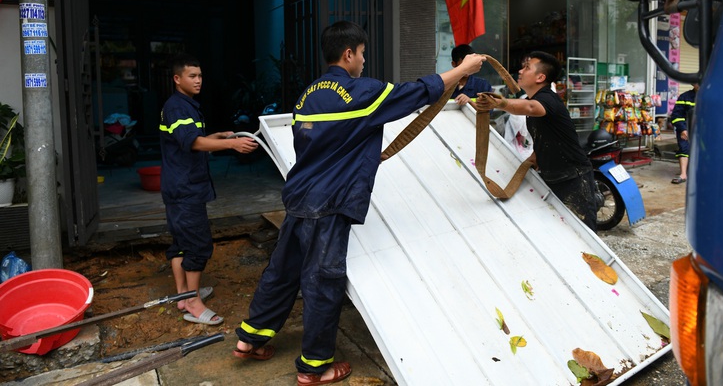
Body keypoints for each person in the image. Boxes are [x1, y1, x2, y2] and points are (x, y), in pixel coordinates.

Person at [233, 21, 485, 385]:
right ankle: (314, 368)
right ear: (348, 53)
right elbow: (416, 93)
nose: (365, 61)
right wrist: (462, 70)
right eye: (363, 53)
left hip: (300, 196)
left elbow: (325, 144)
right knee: (322, 282)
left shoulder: (308, 94)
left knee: (283, 270)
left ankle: (250, 339)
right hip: (329, 203)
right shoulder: (360, 92)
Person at [159, 53, 258, 325]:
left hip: (180, 186)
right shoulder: (178, 107)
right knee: (198, 245)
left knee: (182, 243)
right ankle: (192, 302)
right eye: (192, 76)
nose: (198, 80)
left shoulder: (184, 105)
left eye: (200, 76)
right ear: (177, 79)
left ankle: (183, 294)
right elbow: (191, 142)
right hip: (185, 188)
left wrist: (217, 136)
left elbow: (188, 139)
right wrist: (231, 145)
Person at [476, 51, 597, 231]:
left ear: (540, 77)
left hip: (574, 179)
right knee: (560, 233)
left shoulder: (547, 99)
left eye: (527, 67)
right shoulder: (536, 100)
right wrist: (536, 155)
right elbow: (546, 135)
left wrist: (499, 103)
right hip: (552, 178)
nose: (520, 70)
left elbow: (531, 108)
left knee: (582, 234)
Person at [669, 83, 699, 184]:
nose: (698, 84)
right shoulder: (685, 97)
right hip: (686, 129)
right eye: (696, 82)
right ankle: (683, 174)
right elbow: (676, 115)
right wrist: (683, 129)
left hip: (705, 130)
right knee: (684, 148)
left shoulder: (712, 97)